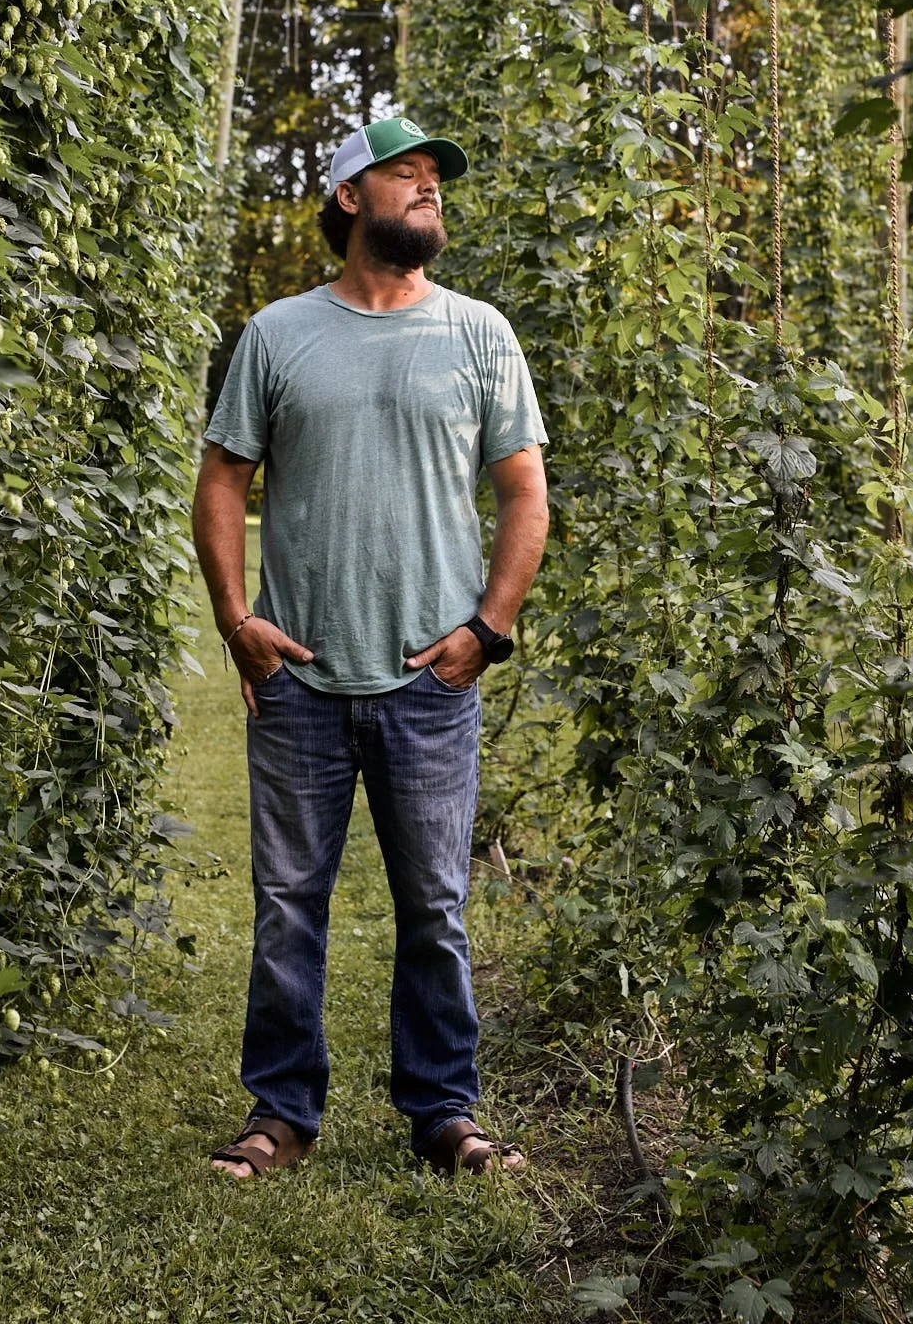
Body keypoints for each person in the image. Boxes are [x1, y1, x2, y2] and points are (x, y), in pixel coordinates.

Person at [193, 114, 550, 1181]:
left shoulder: (480, 333)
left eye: (438, 177)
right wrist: (237, 621)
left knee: (434, 908)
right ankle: (281, 1113)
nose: (431, 189)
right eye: (409, 174)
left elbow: (525, 491)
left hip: (429, 682)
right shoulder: (277, 334)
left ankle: (444, 1112)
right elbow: (223, 479)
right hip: (298, 678)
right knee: (287, 907)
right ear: (350, 196)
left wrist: (487, 630)